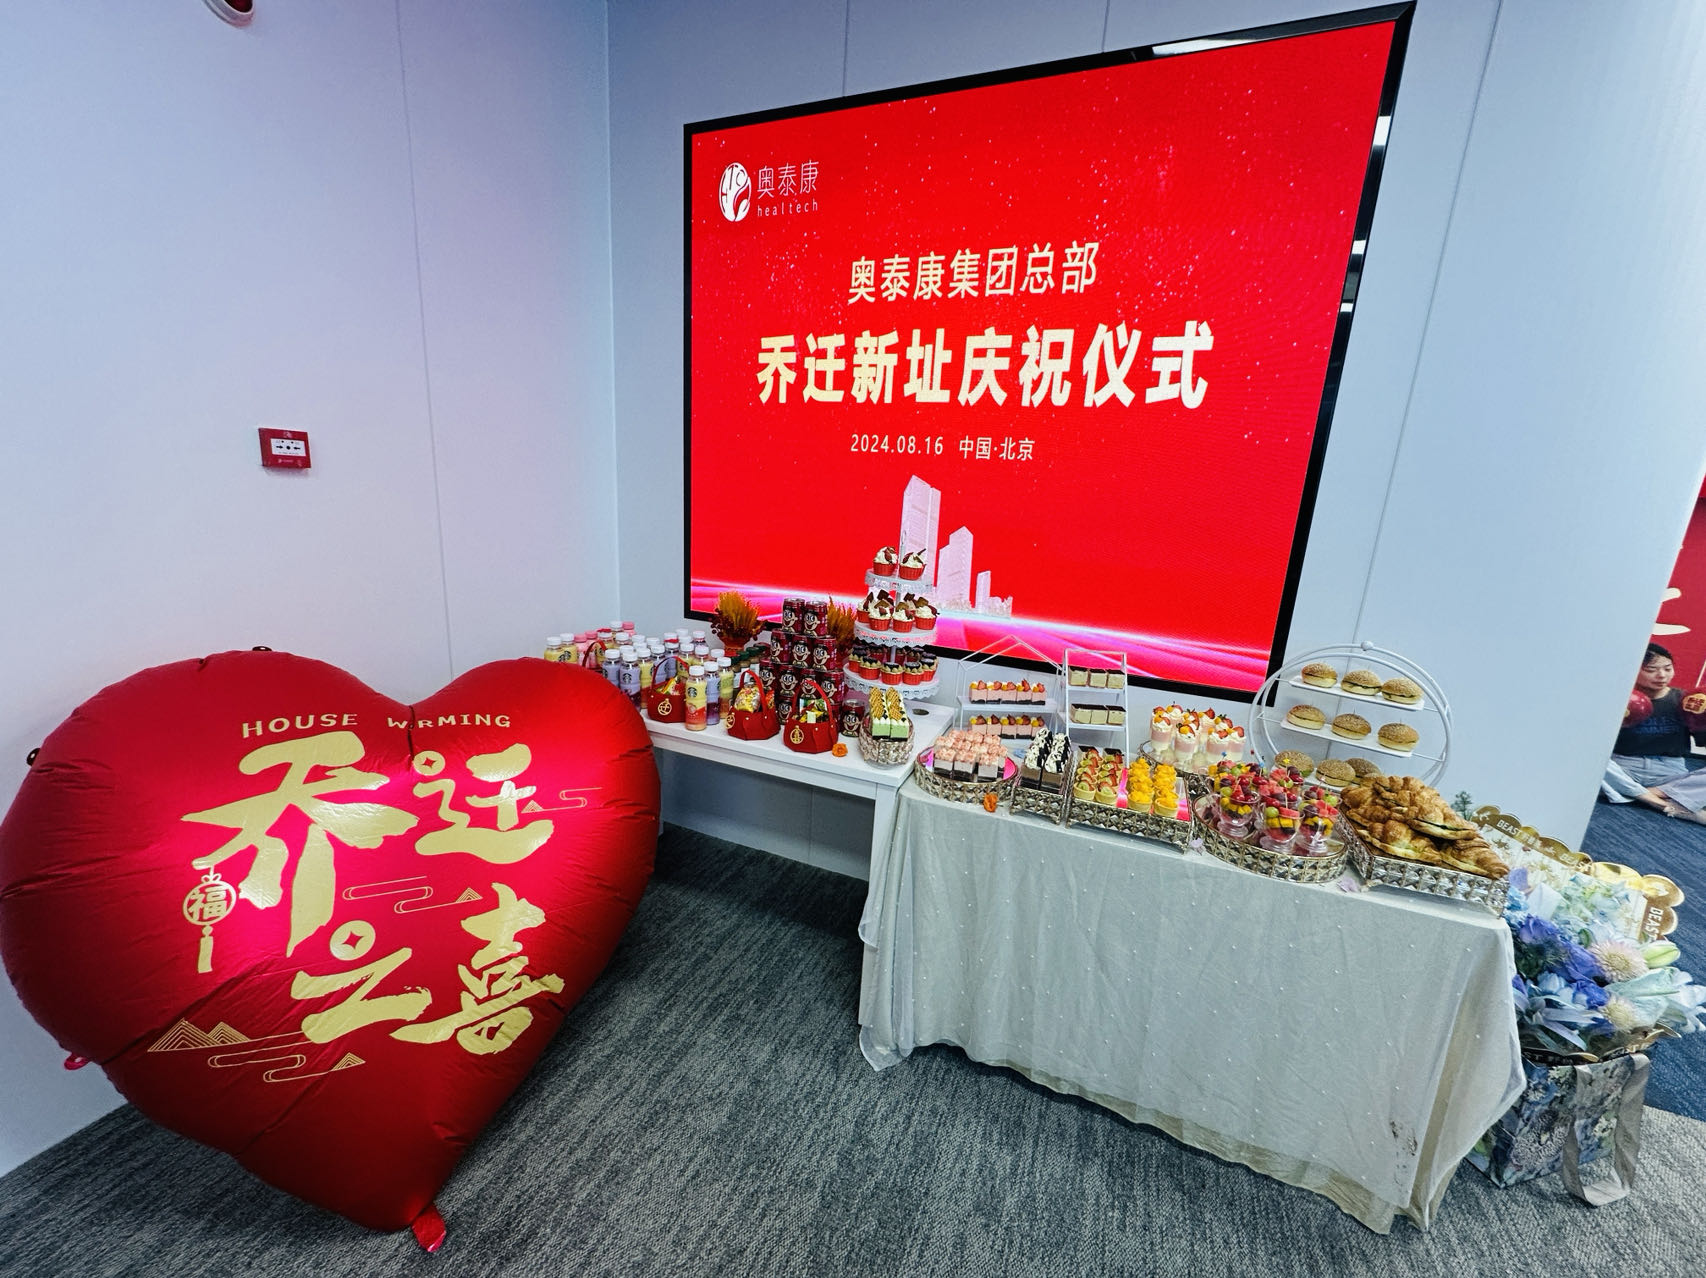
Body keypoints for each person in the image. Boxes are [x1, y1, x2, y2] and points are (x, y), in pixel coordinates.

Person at [1601, 643, 1706, 820]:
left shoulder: (1686, 700)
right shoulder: (1618, 698)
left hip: (1669, 773)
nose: (1662, 675)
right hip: (1623, 767)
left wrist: (1703, 723)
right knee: (1586, 761)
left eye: (1668, 668)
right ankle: (1659, 802)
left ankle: (1640, 792)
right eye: (1651, 670)